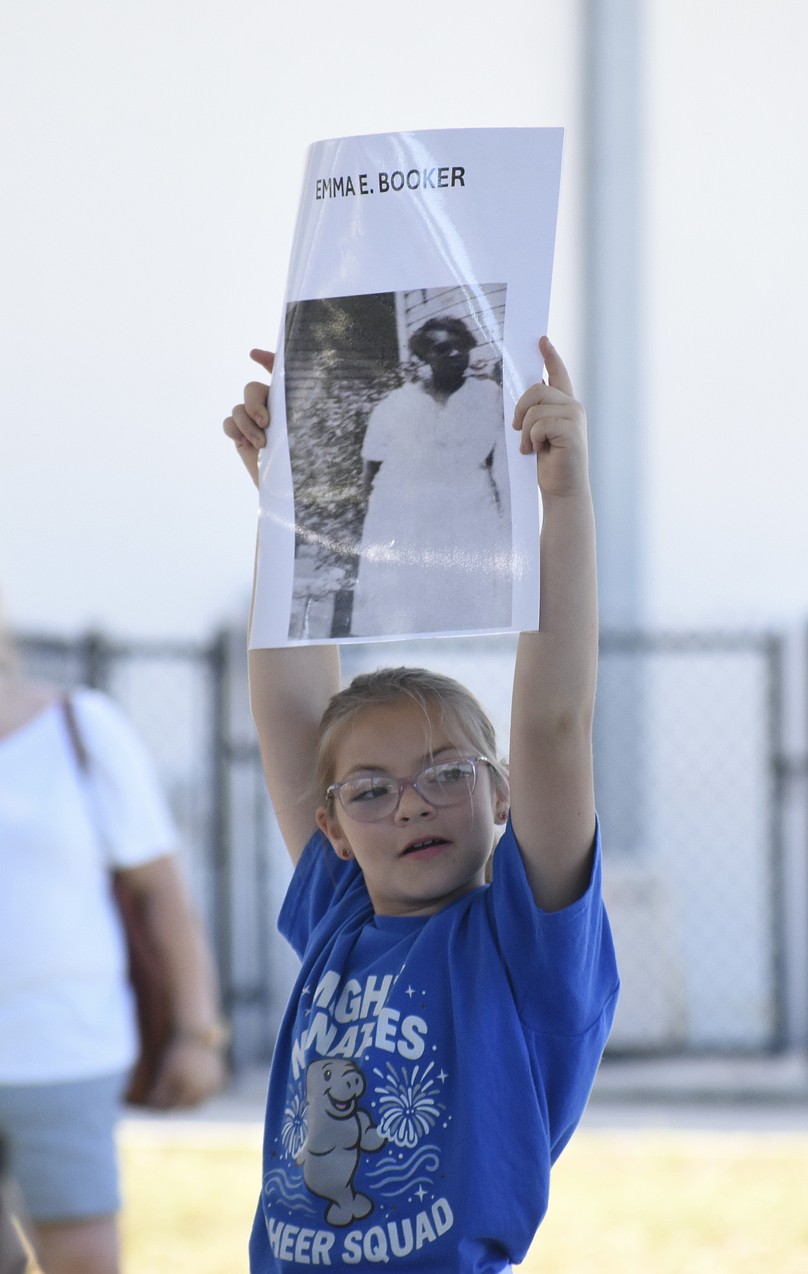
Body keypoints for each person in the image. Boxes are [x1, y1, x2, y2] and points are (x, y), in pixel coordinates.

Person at [223, 336, 619, 1272]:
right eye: (370, 789)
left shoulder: (526, 944)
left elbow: (557, 721)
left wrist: (564, 501)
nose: (410, 806)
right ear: (334, 829)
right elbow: (288, 708)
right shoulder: (340, 914)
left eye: (447, 772)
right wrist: (292, 500)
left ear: (501, 794)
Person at [0, 619, 228, 1274]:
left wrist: (196, 1035)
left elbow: (162, 893)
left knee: (83, 1258)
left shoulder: (79, 728)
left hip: (63, 1054)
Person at [348, 315, 512, 638]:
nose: (453, 355)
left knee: (465, 601)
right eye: (441, 349)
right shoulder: (395, 405)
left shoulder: (490, 397)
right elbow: (371, 467)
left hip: (467, 511)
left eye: (459, 347)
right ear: (425, 357)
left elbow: (501, 461)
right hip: (404, 513)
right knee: (406, 600)